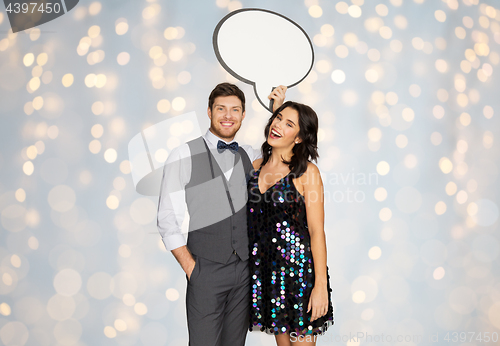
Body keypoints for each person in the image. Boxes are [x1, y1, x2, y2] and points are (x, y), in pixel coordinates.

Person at [156, 82, 286, 346]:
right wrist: (192, 268)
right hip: (205, 270)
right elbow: (166, 217)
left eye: (235, 109)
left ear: (243, 115)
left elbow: (282, 151)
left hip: (244, 272)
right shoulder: (183, 154)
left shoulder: (250, 154)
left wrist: (278, 110)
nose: (228, 116)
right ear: (209, 111)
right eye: (221, 109)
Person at [247, 100, 334, 345]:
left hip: (299, 278)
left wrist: (320, 287)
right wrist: (276, 106)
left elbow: (317, 232)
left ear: (298, 138)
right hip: (268, 276)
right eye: (277, 118)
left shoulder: (308, 172)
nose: (277, 125)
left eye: (289, 124)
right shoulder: (253, 168)